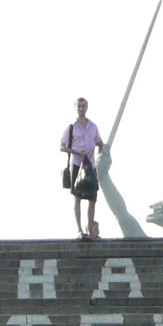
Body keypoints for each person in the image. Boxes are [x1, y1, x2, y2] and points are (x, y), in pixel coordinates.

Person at [60, 97, 105, 240]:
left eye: (83, 106)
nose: (81, 108)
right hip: (77, 165)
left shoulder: (93, 126)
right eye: (79, 106)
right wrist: (76, 152)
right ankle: (80, 230)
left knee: (93, 198)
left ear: (87, 107)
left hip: (90, 165)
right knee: (77, 197)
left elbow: (99, 142)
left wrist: (100, 148)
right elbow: (62, 146)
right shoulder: (71, 127)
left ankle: (91, 230)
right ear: (76, 108)